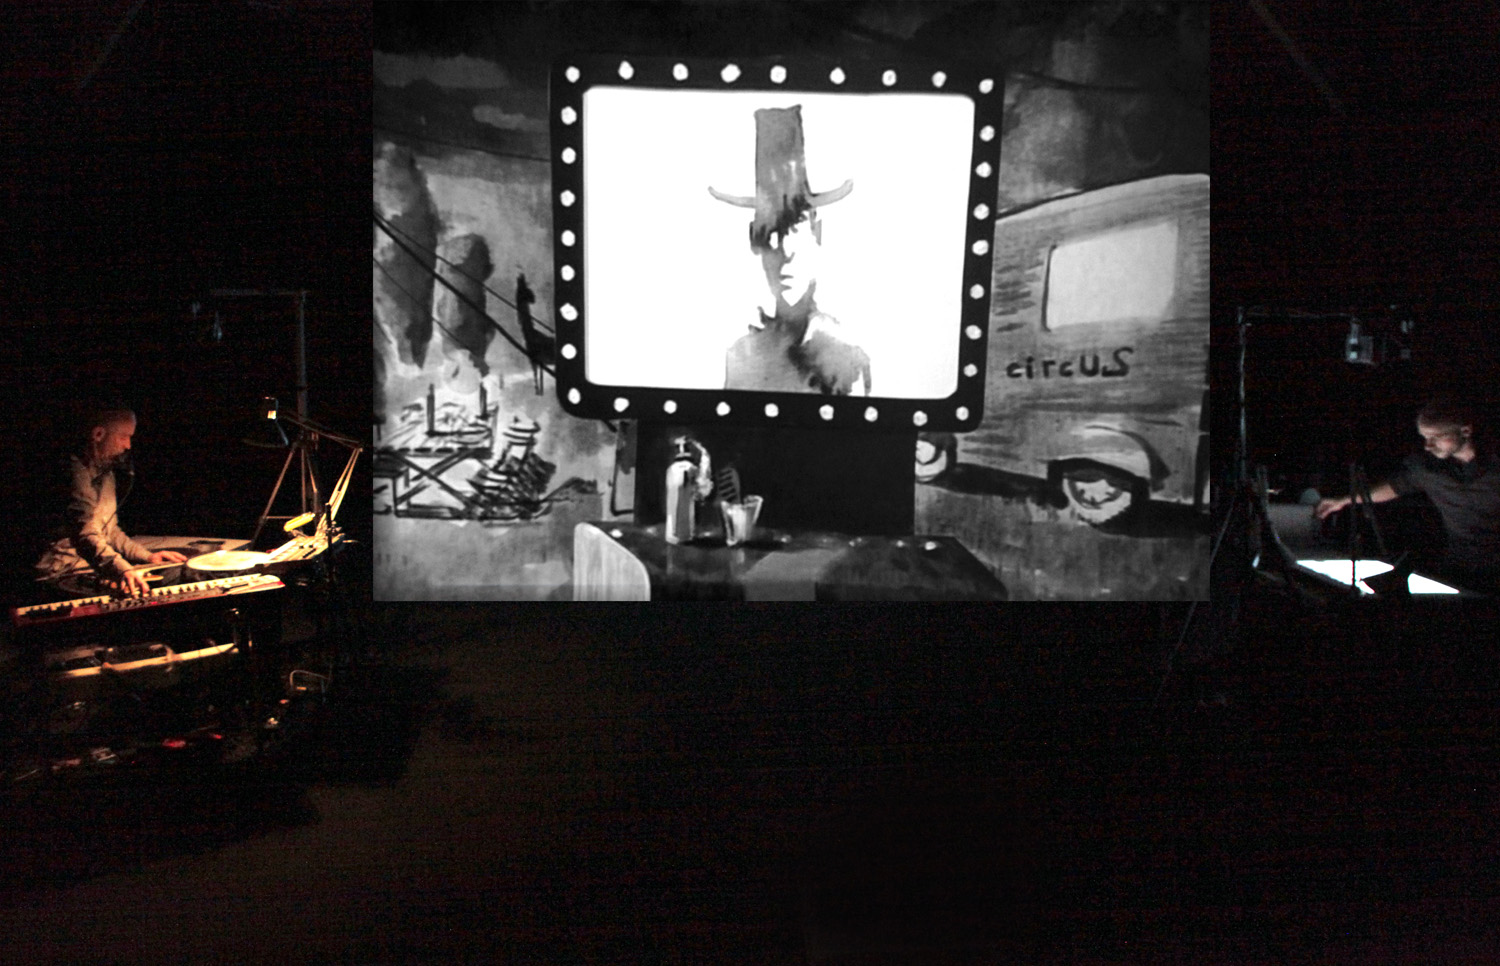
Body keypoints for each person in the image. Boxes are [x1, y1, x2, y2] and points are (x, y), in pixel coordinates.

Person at [711, 105, 872, 396]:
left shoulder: (847, 355)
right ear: (755, 244)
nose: (783, 254)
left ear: (816, 234)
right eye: (770, 237)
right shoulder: (743, 356)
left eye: (793, 233)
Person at [1314, 397, 1500, 590]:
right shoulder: (1428, 469)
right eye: (1425, 438)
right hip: (1459, 566)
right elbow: (1395, 486)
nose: (1428, 445)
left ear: (1466, 431)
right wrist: (1344, 501)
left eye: (1436, 437)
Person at [35, 408, 188, 597]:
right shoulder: (74, 472)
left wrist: (147, 556)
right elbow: (84, 535)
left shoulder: (106, 471)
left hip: (88, 565)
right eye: (123, 436)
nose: (128, 445)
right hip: (61, 572)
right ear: (98, 434)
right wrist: (121, 569)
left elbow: (110, 531)